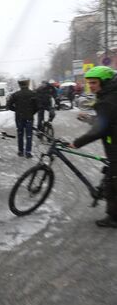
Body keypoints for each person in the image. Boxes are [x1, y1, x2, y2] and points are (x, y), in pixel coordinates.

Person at [70, 66, 117, 228]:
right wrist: (90, 118)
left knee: (112, 184)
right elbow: (108, 120)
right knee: (111, 179)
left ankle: (113, 219)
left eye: (94, 82)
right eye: (89, 83)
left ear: (104, 82)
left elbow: (99, 129)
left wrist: (77, 143)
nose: (91, 86)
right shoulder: (110, 95)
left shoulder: (107, 100)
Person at [7, 77, 37, 158]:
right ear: (27, 83)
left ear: (19, 85)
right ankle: (28, 152)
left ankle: (20, 151)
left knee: (20, 134)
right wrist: (31, 112)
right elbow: (37, 106)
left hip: (19, 117)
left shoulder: (15, 95)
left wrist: (16, 110)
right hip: (29, 117)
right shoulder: (33, 94)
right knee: (29, 135)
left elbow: (9, 106)